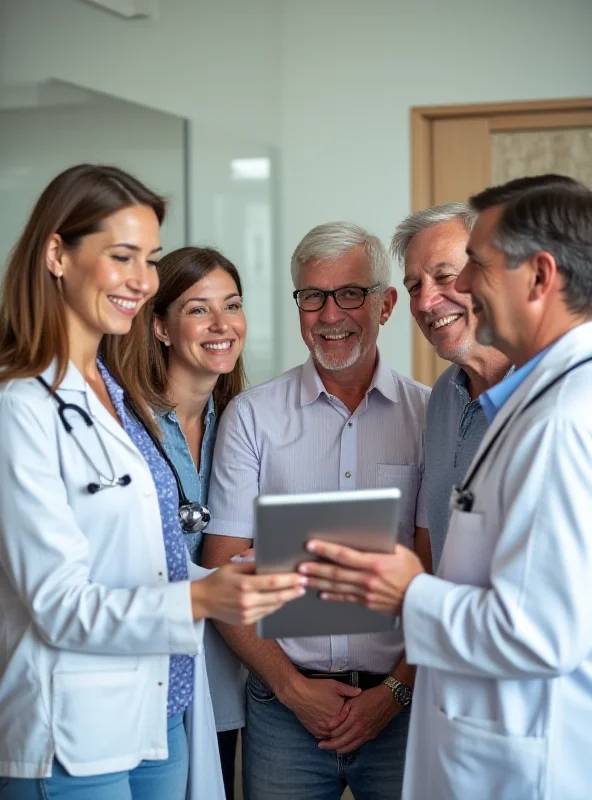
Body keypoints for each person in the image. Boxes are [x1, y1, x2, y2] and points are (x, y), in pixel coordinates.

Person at [0, 164, 305, 800]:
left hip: (155, 716)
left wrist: (231, 580)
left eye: (151, 259)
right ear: (57, 254)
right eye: (122, 256)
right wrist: (204, 599)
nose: (141, 280)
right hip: (70, 732)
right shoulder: (20, 405)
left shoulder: (106, 395)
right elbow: (58, 603)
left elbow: (142, 561)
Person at [299, 178, 592, 799]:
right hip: (470, 727)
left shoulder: (563, 418)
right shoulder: (464, 404)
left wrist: (408, 592)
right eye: (415, 285)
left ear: (539, 278)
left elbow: (538, 632)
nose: (442, 299)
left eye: (471, 270)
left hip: (525, 750)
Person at [201, 221, 431, 800]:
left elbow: (438, 574)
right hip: (283, 711)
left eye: (350, 293)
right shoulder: (251, 418)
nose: (330, 314)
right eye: (312, 297)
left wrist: (396, 693)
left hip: (403, 705)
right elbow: (222, 575)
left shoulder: (430, 418)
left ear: (385, 306)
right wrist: (292, 689)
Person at [125, 245, 249, 799]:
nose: (222, 324)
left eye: (233, 305)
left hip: (224, 671)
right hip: (138, 668)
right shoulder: (122, 424)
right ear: (161, 328)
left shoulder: (247, 423)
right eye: (198, 309)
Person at [391, 202, 511, 569]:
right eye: (414, 287)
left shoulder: (560, 393)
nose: (426, 301)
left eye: (444, 278)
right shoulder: (442, 396)